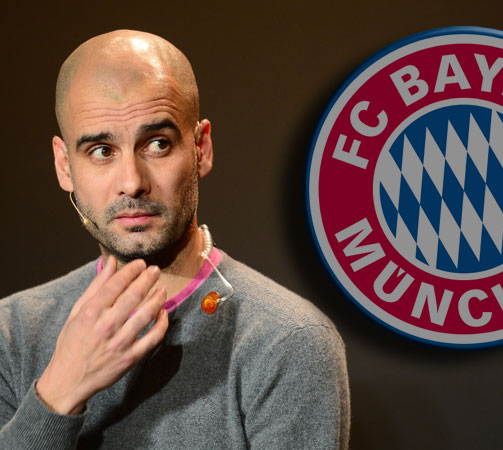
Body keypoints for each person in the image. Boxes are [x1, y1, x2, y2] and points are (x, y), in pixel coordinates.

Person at [0, 30, 350, 449]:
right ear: (64, 166)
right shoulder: (11, 334)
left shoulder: (288, 341)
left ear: (201, 148)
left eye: (157, 144)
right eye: (101, 151)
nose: (132, 181)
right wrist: (58, 393)